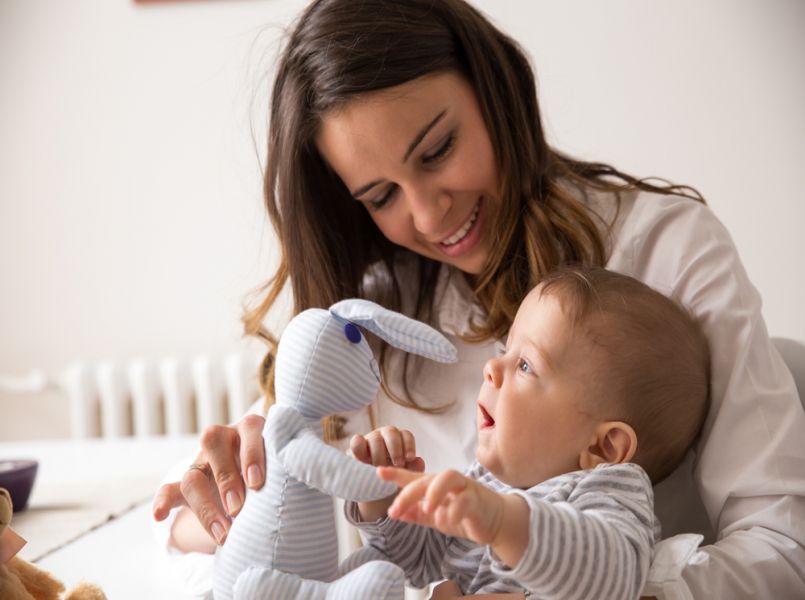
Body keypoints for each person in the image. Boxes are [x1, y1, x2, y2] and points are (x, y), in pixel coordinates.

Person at [151, 0, 805, 597]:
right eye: (380, 195)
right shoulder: (367, 316)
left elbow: (782, 550)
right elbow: (185, 527)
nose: (428, 215)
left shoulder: (666, 249)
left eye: (437, 150)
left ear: (494, 91)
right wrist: (234, 500)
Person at [344, 266, 709, 598]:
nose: (491, 367)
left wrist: (505, 522)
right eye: (506, 350)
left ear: (604, 447)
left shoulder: (607, 490)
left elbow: (615, 577)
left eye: (524, 365)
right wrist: (380, 498)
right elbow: (417, 563)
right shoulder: (488, 483)